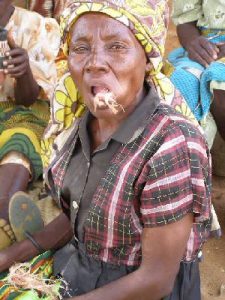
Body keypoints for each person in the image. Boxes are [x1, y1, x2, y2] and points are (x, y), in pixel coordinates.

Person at [0, 1, 211, 299]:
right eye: (81, 48)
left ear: (148, 58)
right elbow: (81, 213)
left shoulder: (172, 144)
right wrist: (11, 256)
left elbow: (157, 280)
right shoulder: (82, 124)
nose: (94, 62)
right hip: (78, 271)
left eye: (116, 47)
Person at [0, 0, 60, 250]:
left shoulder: (36, 27)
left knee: (21, 142)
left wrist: (23, 71)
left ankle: (5, 216)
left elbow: (30, 97)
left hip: (22, 110)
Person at [167, 1, 225, 146]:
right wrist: (192, 42)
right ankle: (193, 159)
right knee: (179, 84)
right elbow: (185, 19)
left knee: (219, 82)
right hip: (206, 48)